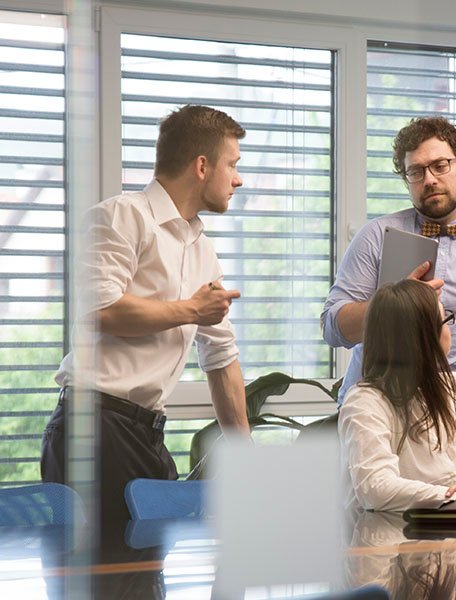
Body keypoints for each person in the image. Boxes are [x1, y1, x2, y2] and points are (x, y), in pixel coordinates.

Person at [41, 105, 251, 525]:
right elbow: (101, 310)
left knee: (149, 580)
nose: (238, 179)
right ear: (202, 165)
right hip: (93, 428)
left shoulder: (201, 248)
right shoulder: (120, 216)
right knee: (108, 583)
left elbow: (221, 357)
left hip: (145, 434)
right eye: (233, 164)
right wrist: (192, 309)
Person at [321, 116, 456, 403]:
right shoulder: (375, 236)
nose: (429, 180)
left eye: (440, 166)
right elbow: (333, 329)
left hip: (454, 417)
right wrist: (391, 303)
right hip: (373, 410)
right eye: (415, 172)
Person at [338, 279, 456, 512]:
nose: (451, 331)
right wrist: (455, 496)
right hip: (392, 539)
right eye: (445, 322)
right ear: (423, 337)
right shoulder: (365, 402)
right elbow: (376, 488)